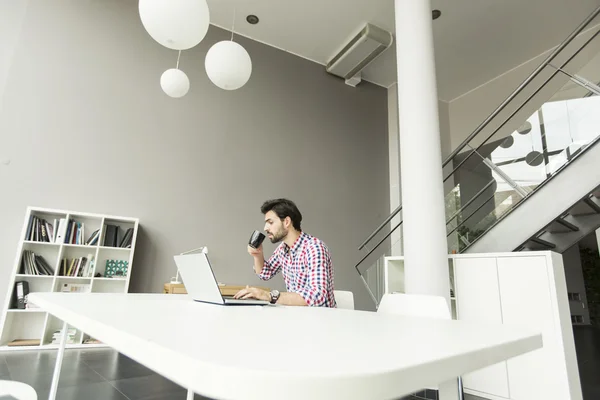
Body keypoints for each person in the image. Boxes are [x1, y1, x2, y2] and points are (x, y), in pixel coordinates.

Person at [234, 198, 337, 307]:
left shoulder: (314, 248)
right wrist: (257, 255)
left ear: (287, 222)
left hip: (321, 320)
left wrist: (269, 296)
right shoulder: (282, 249)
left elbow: (318, 296)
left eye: (270, 222)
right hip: (297, 316)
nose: (265, 228)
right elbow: (265, 273)